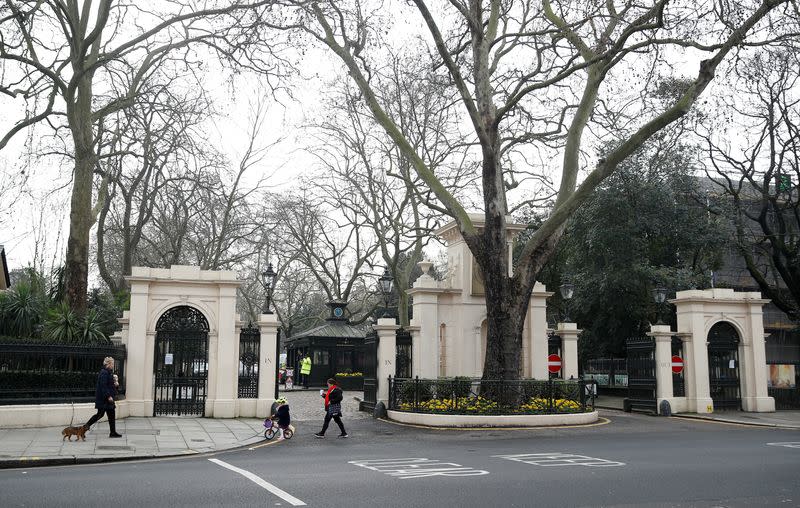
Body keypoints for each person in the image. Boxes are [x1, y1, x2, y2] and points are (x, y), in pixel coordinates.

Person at [85, 356, 122, 438]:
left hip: (108, 399)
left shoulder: (109, 372)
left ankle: (113, 432)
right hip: (104, 399)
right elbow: (103, 386)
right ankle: (85, 427)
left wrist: (116, 385)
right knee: (99, 415)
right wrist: (108, 396)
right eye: (112, 363)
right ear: (108, 364)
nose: (113, 365)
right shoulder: (104, 372)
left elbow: (110, 386)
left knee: (111, 414)